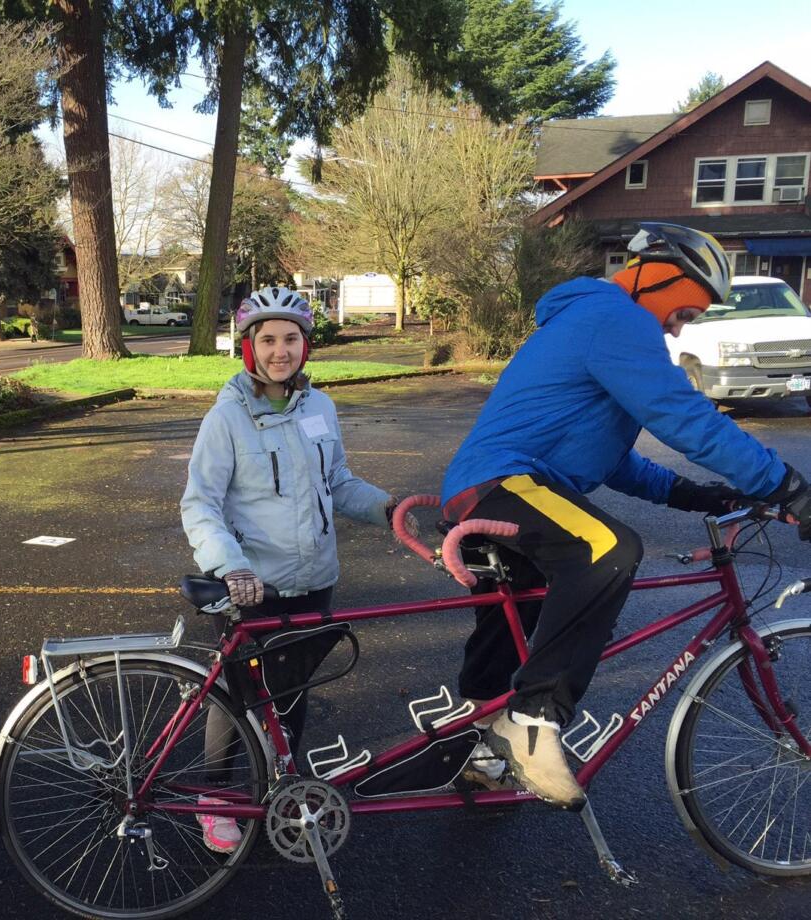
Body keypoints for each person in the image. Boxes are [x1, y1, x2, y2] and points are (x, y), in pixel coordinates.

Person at [440, 222, 811, 810]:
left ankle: (480, 748)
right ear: (656, 277)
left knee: (520, 615)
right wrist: (786, 485)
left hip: (503, 486)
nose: (679, 326)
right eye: (686, 311)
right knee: (605, 550)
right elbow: (686, 418)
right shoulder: (615, 318)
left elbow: (613, 460)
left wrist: (695, 495)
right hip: (501, 485)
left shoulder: (596, 322)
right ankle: (531, 724)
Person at [181, 286, 397, 852]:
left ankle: (281, 781)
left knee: (294, 689)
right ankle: (216, 799)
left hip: (315, 578)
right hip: (255, 586)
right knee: (238, 696)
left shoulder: (320, 408)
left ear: (306, 345)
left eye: (291, 339)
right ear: (250, 348)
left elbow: (340, 483)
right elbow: (199, 504)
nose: (281, 351)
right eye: (269, 340)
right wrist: (230, 567)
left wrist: (389, 510)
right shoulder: (226, 419)